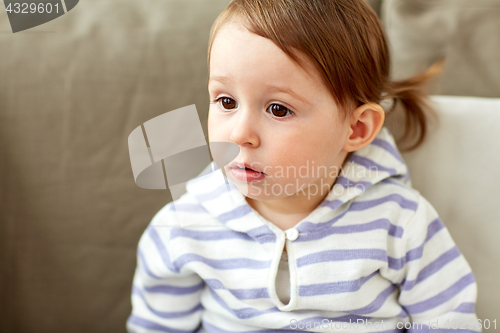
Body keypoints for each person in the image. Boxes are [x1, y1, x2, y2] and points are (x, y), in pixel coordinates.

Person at [127, 0, 480, 332]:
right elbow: (156, 325)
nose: (239, 134)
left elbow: (447, 320)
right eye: (226, 101)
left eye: (278, 109)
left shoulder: (399, 222)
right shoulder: (186, 224)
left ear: (356, 129)